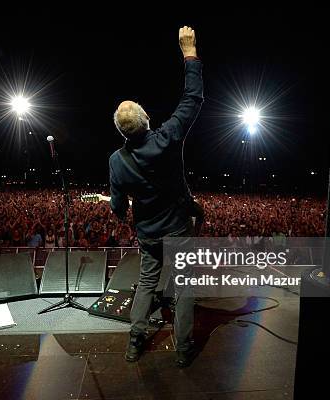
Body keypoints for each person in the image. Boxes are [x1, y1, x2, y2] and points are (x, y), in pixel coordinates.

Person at [108, 26, 203, 368]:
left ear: (122, 132)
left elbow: (118, 206)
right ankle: (184, 348)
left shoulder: (116, 161)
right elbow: (193, 99)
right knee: (185, 286)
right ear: (147, 119)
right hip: (177, 228)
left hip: (148, 233)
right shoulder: (167, 138)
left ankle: (135, 342)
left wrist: (125, 212)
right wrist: (189, 52)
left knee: (147, 283)